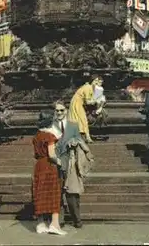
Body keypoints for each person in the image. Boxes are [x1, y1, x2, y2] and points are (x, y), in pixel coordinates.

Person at [32, 111, 66, 235]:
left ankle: (40, 224)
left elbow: (36, 154)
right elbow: (51, 155)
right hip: (49, 166)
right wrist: (60, 163)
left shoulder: (37, 136)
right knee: (54, 193)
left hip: (39, 165)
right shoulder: (49, 136)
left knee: (40, 192)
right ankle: (54, 224)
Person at [53, 100, 85, 228]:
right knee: (57, 194)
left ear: (66, 111)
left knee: (73, 194)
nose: (59, 112)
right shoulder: (50, 125)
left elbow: (79, 140)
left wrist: (74, 141)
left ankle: (77, 220)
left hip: (70, 163)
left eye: (62, 110)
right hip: (54, 163)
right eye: (57, 110)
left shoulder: (73, 125)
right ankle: (59, 221)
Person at [67, 76, 101, 143]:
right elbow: (88, 102)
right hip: (77, 103)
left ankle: (85, 137)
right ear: (91, 81)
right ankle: (87, 138)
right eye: (95, 80)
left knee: (80, 120)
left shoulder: (89, 87)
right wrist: (96, 100)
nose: (96, 82)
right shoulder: (88, 87)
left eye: (97, 80)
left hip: (77, 103)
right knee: (82, 119)